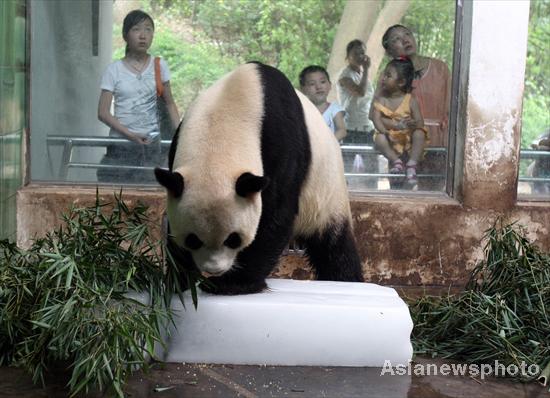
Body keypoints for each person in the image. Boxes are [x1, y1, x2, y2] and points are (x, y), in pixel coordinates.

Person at [97, 9, 179, 183]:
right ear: (126, 35)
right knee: (118, 194)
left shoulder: (159, 66)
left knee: (148, 193)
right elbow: (103, 113)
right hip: (120, 146)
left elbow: (170, 104)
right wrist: (131, 135)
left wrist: (179, 135)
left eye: (148, 29)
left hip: (151, 147)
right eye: (136, 29)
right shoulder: (114, 70)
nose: (143, 35)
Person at [377, 24, 451, 190]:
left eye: (407, 34)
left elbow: (453, 110)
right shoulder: (387, 76)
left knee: (436, 198)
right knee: (403, 199)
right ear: (389, 51)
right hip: (401, 144)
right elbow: (376, 115)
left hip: (437, 145)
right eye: (396, 39)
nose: (404, 40)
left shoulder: (441, 68)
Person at [371, 58, 428, 190]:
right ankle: (396, 161)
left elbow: (420, 121)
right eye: (384, 74)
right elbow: (375, 119)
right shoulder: (382, 99)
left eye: (388, 75)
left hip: (407, 136)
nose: (383, 78)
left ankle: (411, 164)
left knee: (420, 133)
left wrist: (413, 124)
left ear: (401, 82)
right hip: (390, 136)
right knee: (378, 137)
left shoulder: (410, 100)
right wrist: (385, 132)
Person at [337, 39, 377, 188]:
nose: (360, 56)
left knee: (372, 171)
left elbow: (369, 99)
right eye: (355, 54)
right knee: (345, 171)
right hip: (351, 128)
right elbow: (360, 92)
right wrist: (367, 69)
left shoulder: (362, 75)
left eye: (362, 53)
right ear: (348, 56)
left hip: (367, 126)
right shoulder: (345, 76)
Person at [299, 65, 346, 141]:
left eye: (322, 82)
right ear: (303, 89)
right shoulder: (302, 111)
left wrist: (327, 143)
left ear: (330, 85)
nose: (318, 87)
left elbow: (342, 131)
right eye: (312, 84)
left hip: (329, 150)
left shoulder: (334, 109)